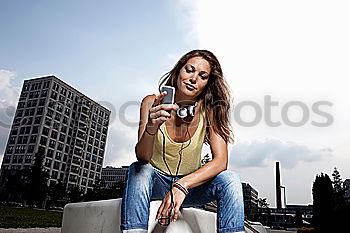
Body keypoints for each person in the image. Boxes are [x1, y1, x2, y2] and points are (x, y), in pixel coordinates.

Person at [120, 50, 245, 233]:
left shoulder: (210, 110)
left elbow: (221, 161)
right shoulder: (151, 102)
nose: (193, 78)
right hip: (156, 182)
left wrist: (182, 184)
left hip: (190, 187)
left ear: (207, 84)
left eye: (202, 76)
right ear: (179, 71)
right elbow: (142, 156)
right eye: (189, 70)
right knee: (139, 169)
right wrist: (152, 127)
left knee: (230, 179)